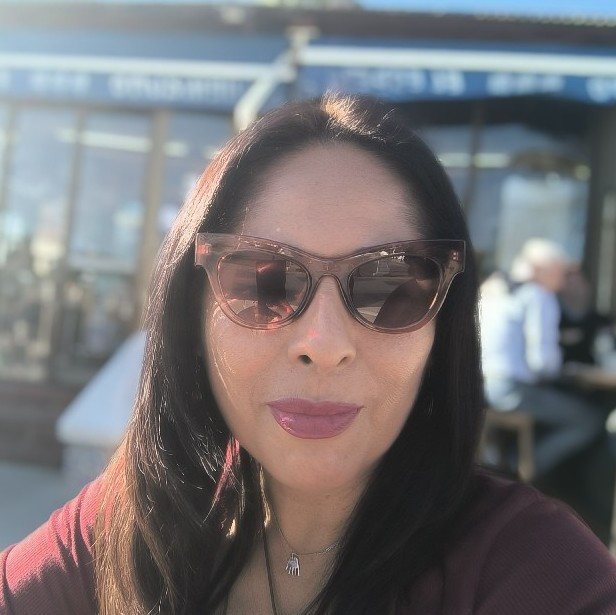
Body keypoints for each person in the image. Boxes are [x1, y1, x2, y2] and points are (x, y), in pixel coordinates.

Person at [2, 96, 616, 615]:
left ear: (443, 328)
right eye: (264, 283)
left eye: (391, 288)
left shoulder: (534, 570)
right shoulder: (127, 527)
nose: (323, 345)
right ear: (192, 314)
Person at [480, 239, 605, 478]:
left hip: (479, 387)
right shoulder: (539, 295)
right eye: (560, 273)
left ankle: (507, 465)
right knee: (590, 420)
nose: (562, 283)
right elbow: (542, 362)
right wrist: (566, 373)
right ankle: (519, 471)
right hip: (511, 390)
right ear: (540, 269)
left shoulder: (491, 288)